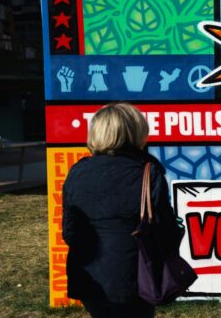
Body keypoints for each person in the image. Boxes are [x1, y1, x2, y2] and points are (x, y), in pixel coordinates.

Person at [62, 103, 183, 317]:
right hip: (137, 279)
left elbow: (70, 233)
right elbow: (165, 233)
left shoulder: (77, 171)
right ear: (136, 131)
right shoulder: (148, 172)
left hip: (89, 278)